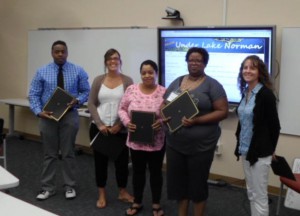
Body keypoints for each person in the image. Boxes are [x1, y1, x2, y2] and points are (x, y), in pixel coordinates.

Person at [163, 47, 228, 216]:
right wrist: (164, 116)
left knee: (197, 185)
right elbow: (164, 104)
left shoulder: (213, 85)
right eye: (191, 59)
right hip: (175, 144)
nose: (194, 63)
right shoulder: (177, 81)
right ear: (186, 61)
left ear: (205, 63)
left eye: (198, 60)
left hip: (201, 146)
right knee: (179, 184)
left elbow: (222, 111)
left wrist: (197, 120)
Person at [28, 40, 90, 200]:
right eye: (57, 51)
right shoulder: (42, 71)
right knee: (50, 154)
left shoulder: (78, 70)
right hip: (47, 117)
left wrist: (78, 100)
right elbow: (34, 94)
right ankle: (47, 188)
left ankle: (70, 186)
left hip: (69, 116)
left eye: (63, 51)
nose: (60, 54)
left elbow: (86, 91)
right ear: (52, 53)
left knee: (68, 152)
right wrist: (38, 112)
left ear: (67, 52)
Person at [118, 60, 166, 216]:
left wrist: (160, 123)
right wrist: (127, 122)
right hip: (136, 141)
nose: (147, 75)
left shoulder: (164, 92)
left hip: (156, 141)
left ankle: (156, 204)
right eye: (144, 72)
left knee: (155, 173)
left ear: (156, 73)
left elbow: (169, 115)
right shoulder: (131, 90)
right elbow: (122, 109)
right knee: (138, 173)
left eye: (151, 72)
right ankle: (137, 202)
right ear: (140, 74)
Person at [234, 55, 280, 216]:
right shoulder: (246, 92)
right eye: (245, 67)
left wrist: (271, 149)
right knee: (251, 192)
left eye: (252, 68)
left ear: (260, 72)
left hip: (260, 152)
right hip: (246, 149)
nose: (248, 71)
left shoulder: (265, 94)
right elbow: (244, 122)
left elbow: (275, 126)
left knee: (260, 196)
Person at [88, 48, 134, 209]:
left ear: (120, 61)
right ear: (105, 62)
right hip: (99, 128)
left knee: (121, 163)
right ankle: (102, 193)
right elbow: (91, 103)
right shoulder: (98, 80)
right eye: (109, 59)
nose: (113, 61)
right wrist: (100, 124)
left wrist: (119, 125)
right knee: (100, 163)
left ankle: (122, 191)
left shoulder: (128, 80)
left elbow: (130, 105)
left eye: (116, 58)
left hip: (119, 129)